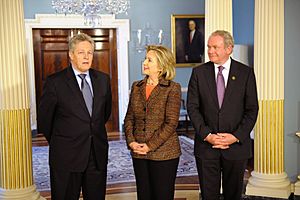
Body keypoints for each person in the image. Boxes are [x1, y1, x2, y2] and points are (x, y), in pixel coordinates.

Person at [37, 33, 112, 200]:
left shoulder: (103, 80)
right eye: (81, 52)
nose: (86, 56)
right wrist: (61, 140)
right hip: (66, 156)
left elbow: (103, 114)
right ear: (71, 55)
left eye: (90, 52)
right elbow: (45, 119)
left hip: (96, 154)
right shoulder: (55, 82)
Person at [187, 30, 259, 200]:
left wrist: (235, 136)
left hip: (236, 147)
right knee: (208, 195)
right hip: (207, 147)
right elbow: (193, 108)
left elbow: (252, 110)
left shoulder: (245, 73)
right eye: (209, 47)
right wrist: (207, 135)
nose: (210, 51)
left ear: (229, 49)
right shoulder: (199, 73)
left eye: (215, 47)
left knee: (233, 195)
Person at [124, 45, 182, 200]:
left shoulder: (173, 88)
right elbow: (129, 118)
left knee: (162, 195)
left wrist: (150, 146)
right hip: (139, 153)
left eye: (149, 60)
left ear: (161, 66)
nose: (144, 62)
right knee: (144, 195)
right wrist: (132, 142)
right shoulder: (136, 87)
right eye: (145, 58)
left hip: (164, 153)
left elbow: (171, 123)